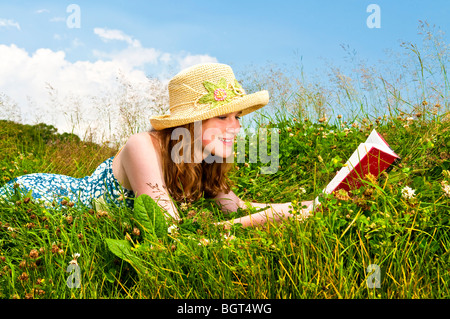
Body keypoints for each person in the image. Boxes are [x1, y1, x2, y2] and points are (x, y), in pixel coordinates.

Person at [0, 63, 312, 228]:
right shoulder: (142, 146)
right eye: (222, 117)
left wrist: (312, 206)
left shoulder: (206, 160)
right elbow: (165, 227)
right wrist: (251, 226)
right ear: (191, 122)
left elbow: (237, 210)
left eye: (237, 116)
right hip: (45, 200)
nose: (236, 126)